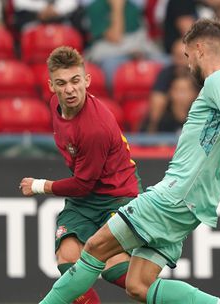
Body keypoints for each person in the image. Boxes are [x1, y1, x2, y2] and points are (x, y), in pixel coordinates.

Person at [39, 19, 220, 304]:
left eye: (187, 56)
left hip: (173, 196)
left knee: (94, 249)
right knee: (138, 286)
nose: (187, 64)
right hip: (191, 208)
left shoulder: (218, 81)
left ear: (199, 49)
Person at [19, 46, 142, 303]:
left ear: (87, 80)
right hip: (86, 199)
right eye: (61, 83)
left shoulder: (94, 128)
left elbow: (83, 184)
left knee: (116, 270)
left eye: (75, 81)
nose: (69, 89)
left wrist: (40, 186)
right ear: (51, 86)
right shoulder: (56, 105)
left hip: (117, 196)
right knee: (67, 257)